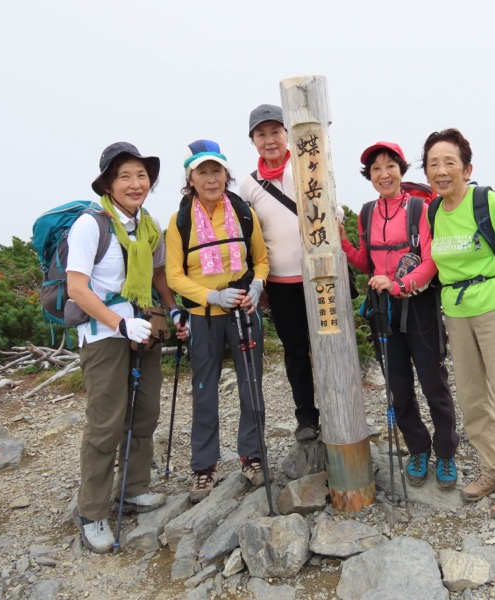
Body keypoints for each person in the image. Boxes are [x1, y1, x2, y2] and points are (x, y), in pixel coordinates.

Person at [67, 142, 188, 553]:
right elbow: (77, 289)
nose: (136, 184)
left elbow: (156, 273)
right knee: (106, 422)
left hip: (144, 330)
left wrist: (173, 311)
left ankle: (133, 487)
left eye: (141, 176)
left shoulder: (147, 225)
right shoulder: (92, 224)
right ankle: (92, 511)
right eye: (125, 176)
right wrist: (119, 322)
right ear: (108, 183)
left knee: (145, 411)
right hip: (105, 337)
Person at [421, 128, 495, 518]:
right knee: (473, 400)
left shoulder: (485, 200)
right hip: (456, 312)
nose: (441, 170)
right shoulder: (435, 210)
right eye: (433, 163)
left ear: (466, 168)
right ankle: (494, 466)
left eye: (449, 162)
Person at [339, 141, 459, 490]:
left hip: (418, 304)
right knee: (399, 386)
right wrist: (343, 242)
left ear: (401, 170)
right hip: (383, 310)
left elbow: (432, 259)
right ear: (370, 176)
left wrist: (399, 284)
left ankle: (446, 452)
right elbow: (366, 261)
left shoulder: (420, 208)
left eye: (390, 165)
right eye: (376, 168)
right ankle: (418, 449)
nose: (383, 173)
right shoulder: (366, 213)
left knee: (433, 382)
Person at [166, 139, 270, 502]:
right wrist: (211, 295)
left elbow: (261, 259)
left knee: (251, 385)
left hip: (243, 311)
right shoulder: (179, 221)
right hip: (203, 316)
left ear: (226, 173)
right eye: (202, 172)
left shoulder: (242, 212)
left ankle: (252, 456)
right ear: (190, 178)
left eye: (216, 170)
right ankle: (203, 467)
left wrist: (257, 286)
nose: (211, 178)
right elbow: (175, 276)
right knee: (204, 392)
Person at [238, 104, 327, 442]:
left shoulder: (309, 166)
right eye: (262, 134)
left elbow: (331, 208)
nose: (270, 139)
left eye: (276, 131)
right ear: (253, 141)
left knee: (330, 345)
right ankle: (306, 417)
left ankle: (337, 409)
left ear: (288, 134)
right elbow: (249, 237)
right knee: (295, 350)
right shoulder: (248, 185)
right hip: (280, 283)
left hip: (320, 278)